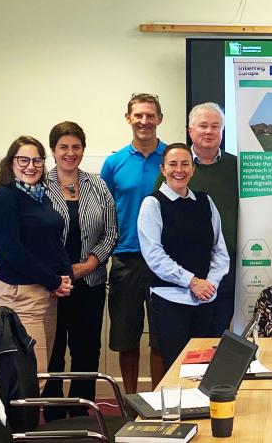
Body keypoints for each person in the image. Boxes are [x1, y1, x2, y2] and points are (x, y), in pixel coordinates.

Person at [40, 122, 118, 420]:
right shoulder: (39, 186)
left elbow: (111, 231)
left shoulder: (97, 185)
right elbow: (33, 234)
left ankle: (82, 411)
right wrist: (58, 273)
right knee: (53, 351)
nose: (70, 153)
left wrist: (88, 265)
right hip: (51, 285)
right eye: (64, 147)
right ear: (53, 151)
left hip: (90, 282)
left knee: (86, 350)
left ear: (83, 150)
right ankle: (55, 414)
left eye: (76, 147)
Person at [0, 136, 73, 379]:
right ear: (11, 163)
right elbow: (13, 252)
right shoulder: (3, 197)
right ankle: (15, 420)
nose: (31, 166)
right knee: (30, 376)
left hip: (46, 293)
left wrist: (65, 276)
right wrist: (54, 280)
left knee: (38, 375)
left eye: (37, 160)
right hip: (18, 295)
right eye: (23, 160)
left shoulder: (39, 196)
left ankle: (29, 419)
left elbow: (55, 239)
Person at [138, 143, 230, 370]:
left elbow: (220, 250)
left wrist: (210, 284)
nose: (179, 170)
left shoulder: (205, 202)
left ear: (192, 169)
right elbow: (154, 256)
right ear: (163, 169)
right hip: (170, 299)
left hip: (204, 298)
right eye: (172, 164)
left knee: (205, 369)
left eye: (185, 164)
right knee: (177, 368)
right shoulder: (152, 204)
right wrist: (192, 282)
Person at [100, 93, 166, 393]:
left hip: (165, 262)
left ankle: (157, 402)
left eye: (150, 115)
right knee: (126, 337)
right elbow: (104, 210)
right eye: (138, 115)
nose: (144, 121)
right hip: (126, 258)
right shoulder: (113, 164)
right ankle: (130, 401)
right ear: (128, 118)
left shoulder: (172, 158)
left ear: (159, 119)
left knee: (161, 337)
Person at [155, 102, 238, 336]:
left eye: (215, 126)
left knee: (213, 341)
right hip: (178, 279)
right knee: (176, 350)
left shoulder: (237, 167)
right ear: (190, 131)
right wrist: (191, 280)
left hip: (222, 274)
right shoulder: (175, 170)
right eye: (203, 126)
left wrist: (212, 279)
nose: (209, 131)